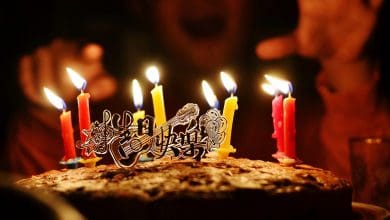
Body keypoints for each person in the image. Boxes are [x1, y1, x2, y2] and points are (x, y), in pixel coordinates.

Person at [1, 0, 389, 181]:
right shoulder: (105, 135)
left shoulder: (303, 130)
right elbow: (40, 203)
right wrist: (48, 113)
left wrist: (347, 67)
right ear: (140, 7)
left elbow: (365, 195)